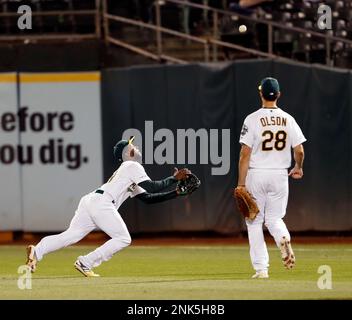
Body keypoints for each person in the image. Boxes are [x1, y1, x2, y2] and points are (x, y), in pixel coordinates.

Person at [26, 137, 192, 277]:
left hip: (91, 200)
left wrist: (175, 193)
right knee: (124, 238)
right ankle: (86, 262)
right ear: (128, 152)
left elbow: (147, 198)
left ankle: (37, 251)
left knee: (71, 235)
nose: (136, 147)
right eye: (133, 145)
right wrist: (174, 178)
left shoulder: (128, 170)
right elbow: (152, 187)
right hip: (102, 203)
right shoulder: (132, 166)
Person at [237, 77, 306, 279]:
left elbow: (245, 154)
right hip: (279, 175)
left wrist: (241, 183)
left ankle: (261, 269)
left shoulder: (252, 119)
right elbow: (299, 150)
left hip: (257, 173)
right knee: (275, 219)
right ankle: (283, 237)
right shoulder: (288, 119)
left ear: (261, 94)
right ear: (278, 95)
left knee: (254, 222)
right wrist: (298, 167)